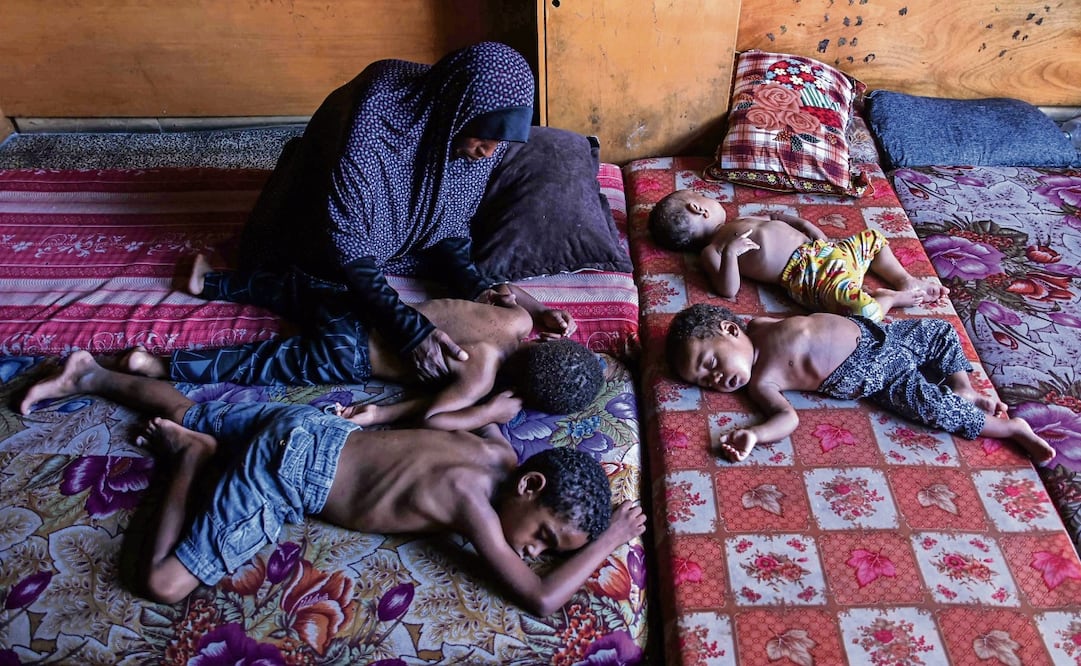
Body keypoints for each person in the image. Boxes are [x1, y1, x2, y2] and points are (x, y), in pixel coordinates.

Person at [19, 352, 646, 615]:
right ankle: (189, 460)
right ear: (531, 488)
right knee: (162, 583)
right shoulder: (470, 503)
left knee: (190, 405)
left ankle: (89, 375)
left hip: (312, 427)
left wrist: (489, 413)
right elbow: (539, 599)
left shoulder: (495, 452)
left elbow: (433, 416)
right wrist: (610, 538)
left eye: (546, 551)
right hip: (292, 472)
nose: (533, 553)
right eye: (543, 537)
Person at [238, 41, 535, 384]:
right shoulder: (375, 118)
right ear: (459, 110)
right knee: (316, 287)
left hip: (385, 226)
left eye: (500, 142)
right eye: (484, 138)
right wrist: (407, 329)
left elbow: (449, 225)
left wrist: (473, 286)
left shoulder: (473, 128)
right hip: (319, 220)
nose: (488, 152)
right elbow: (347, 242)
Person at [104, 256, 601, 430]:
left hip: (363, 310)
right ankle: (158, 364)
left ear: (544, 342)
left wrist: (539, 310)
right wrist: (488, 414)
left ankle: (209, 284)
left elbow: (512, 291)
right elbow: (434, 418)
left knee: (291, 288)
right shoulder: (481, 377)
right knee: (263, 363)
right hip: (353, 355)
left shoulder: (514, 320)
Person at [665, 303, 1056, 464]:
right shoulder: (763, 383)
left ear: (731, 329)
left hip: (879, 335)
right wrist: (755, 435)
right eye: (706, 382)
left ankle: (965, 387)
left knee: (939, 331)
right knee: (933, 408)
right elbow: (788, 420)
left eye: (711, 363)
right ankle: (1011, 428)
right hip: (874, 376)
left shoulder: (757, 324)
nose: (717, 380)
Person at [648, 189, 948, 322]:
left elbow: (794, 234)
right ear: (698, 209)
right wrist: (732, 255)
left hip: (826, 252)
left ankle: (904, 279)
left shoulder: (740, 221)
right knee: (865, 314)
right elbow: (727, 290)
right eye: (703, 196)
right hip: (808, 275)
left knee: (873, 238)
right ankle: (890, 298)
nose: (710, 199)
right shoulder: (713, 250)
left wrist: (802, 224)